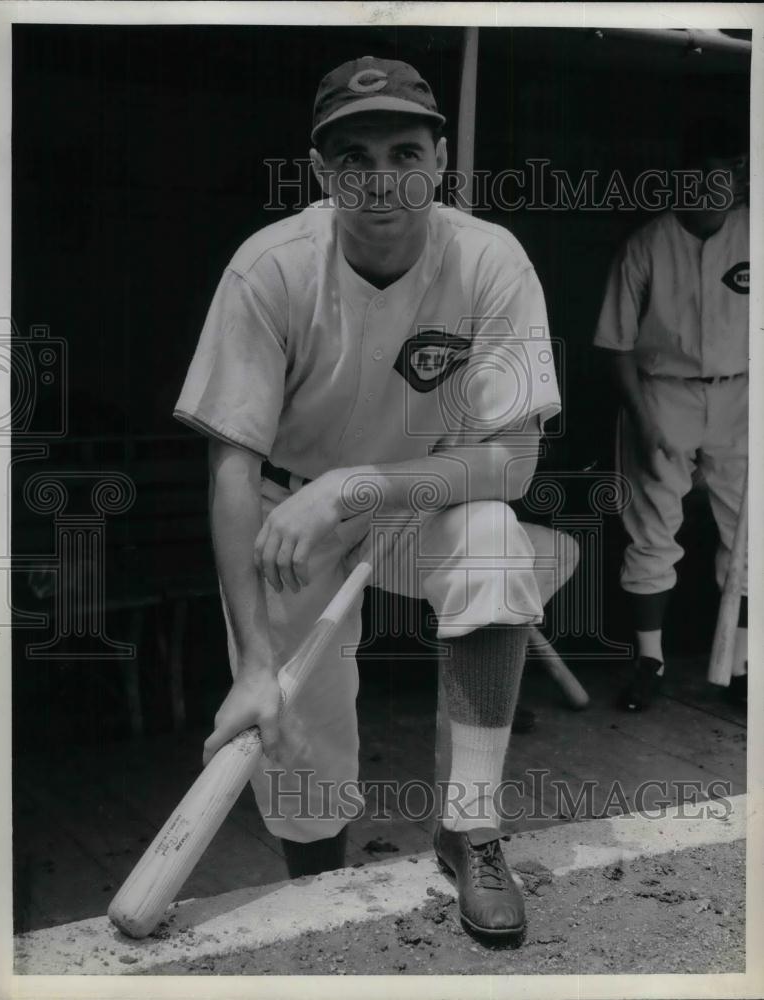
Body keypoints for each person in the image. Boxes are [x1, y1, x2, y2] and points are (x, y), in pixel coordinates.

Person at [174, 56, 573, 941]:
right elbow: (232, 472)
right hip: (292, 513)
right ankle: (321, 893)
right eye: (354, 157)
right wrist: (248, 667)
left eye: (404, 150)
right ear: (323, 171)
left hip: (416, 500)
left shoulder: (489, 258)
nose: (381, 178)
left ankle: (470, 827)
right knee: (298, 738)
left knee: (498, 544)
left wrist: (365, 485)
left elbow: (512, 458)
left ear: (439, 160)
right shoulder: (270, 268)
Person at [594, 117, 749, 712]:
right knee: (653, 530)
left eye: (726, 174)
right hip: (664, 391)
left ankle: (739, 667)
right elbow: (617, 346)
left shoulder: (753, 233)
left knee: (749, 535)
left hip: (741, 391)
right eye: (701, 176)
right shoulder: (647, 243)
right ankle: (650, 662)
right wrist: (644, 420)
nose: (714, 186)